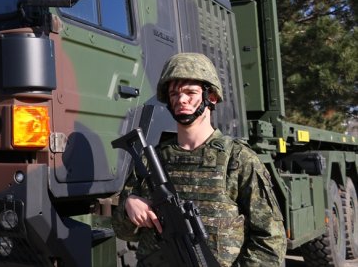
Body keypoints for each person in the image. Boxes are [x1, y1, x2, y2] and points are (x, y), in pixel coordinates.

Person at [111, 52, 286, 267]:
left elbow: (270, 238)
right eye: (174, 93)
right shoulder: (153, 160)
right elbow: (122, 231)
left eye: (190, 92)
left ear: (211, 97)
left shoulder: (238, 159)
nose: (181, 99)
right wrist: (130, 206)